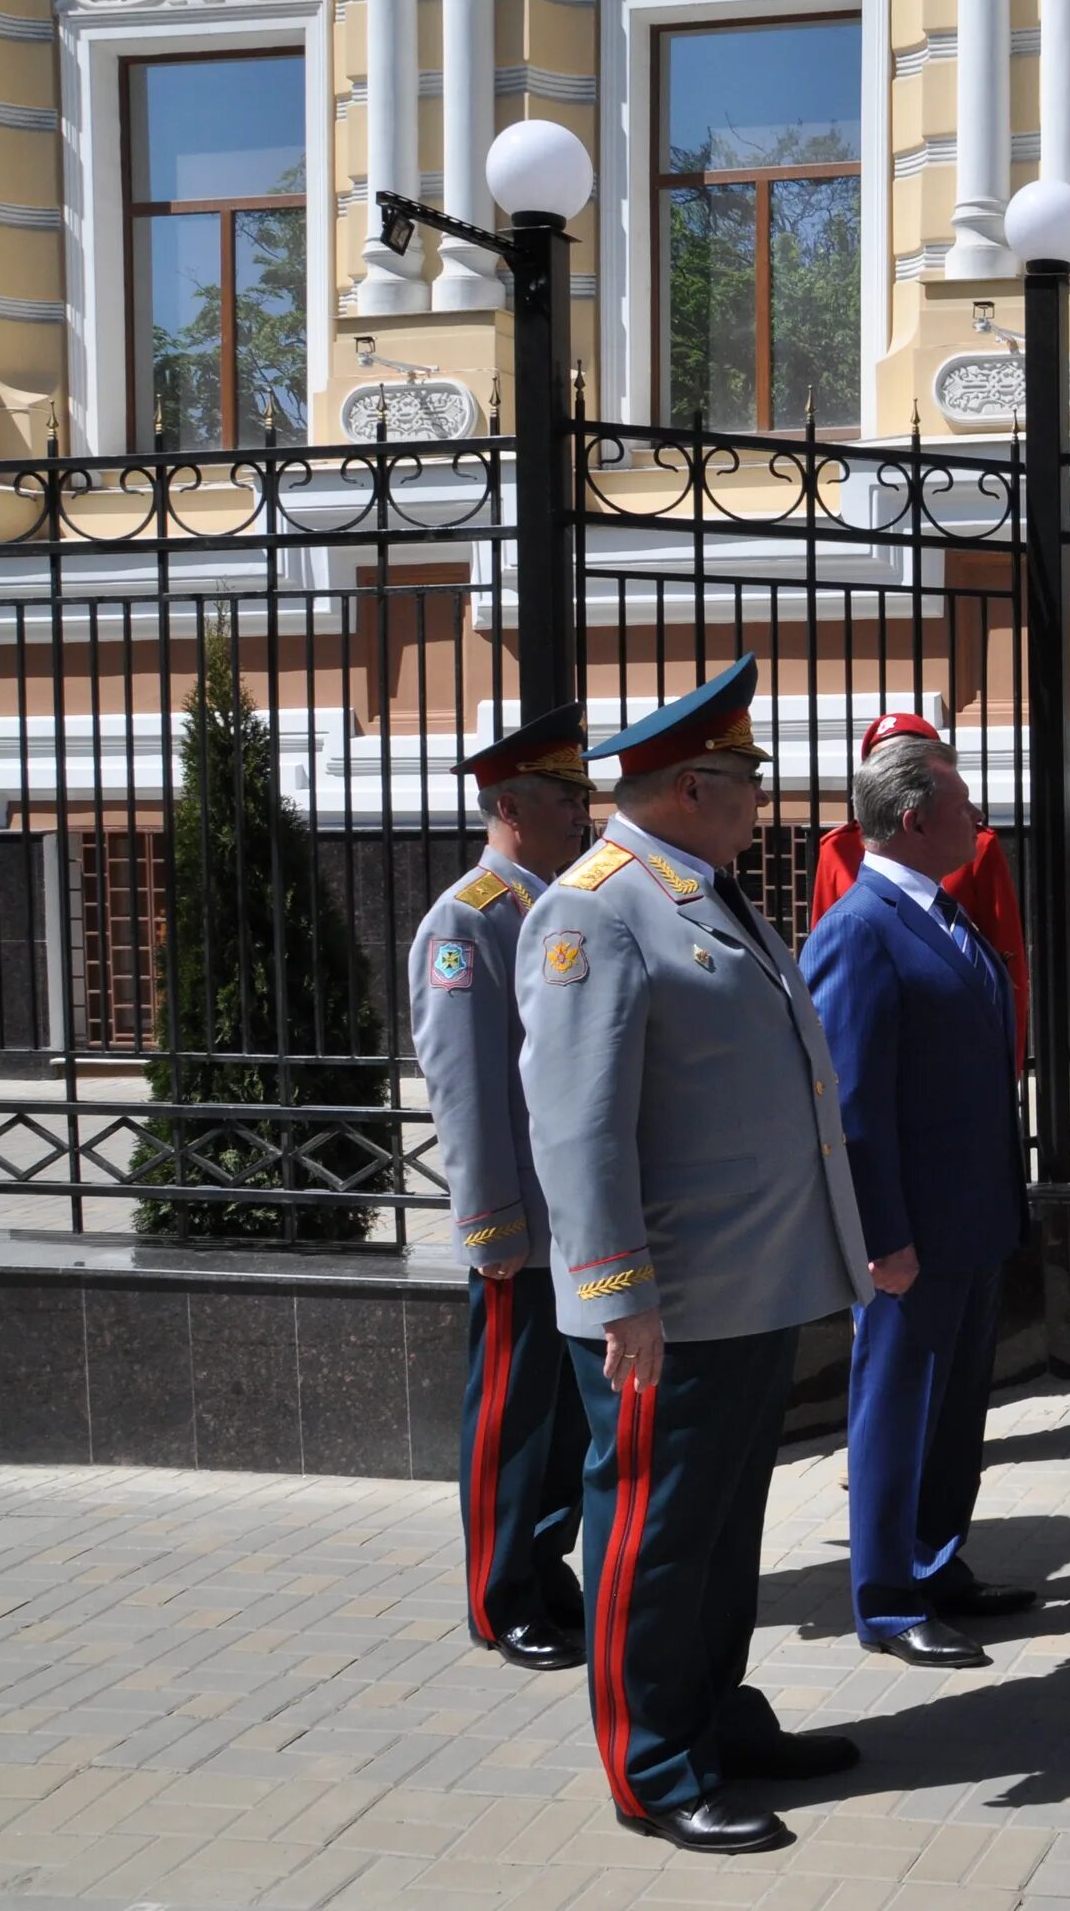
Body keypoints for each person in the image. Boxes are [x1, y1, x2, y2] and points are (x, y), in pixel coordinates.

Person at [516, 654, 875, 1857]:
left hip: (748, 1291)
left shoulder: (710, 891)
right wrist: (619, 1294)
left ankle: (716, 1715)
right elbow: (578, 1121)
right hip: (664, 1304)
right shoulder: (593, 908)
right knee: (654, 1538)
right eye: (746, 782)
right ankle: (653, 1762)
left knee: (722, 1527)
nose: (762, 803)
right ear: (687, 789)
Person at [801, 733, 1038, 1672]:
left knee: (956, 1412)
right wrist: (882, 1235)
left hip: (971, 1221)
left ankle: (938, 1562)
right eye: (962, 805)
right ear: (912, 819)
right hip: (912, 1236)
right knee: (899, 1407)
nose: (976, 822)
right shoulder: (858, 929)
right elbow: (850, 1104)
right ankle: (889, 1596)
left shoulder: (943, 912)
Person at [409, 702, 598, 1670]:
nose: (584, 811)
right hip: (520, 1224)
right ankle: (499, 1592)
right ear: (513, 805)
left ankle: (544, 1560)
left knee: (562, 1410)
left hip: (573, 1224)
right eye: (567, 796)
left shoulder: (558, 907)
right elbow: (466, 1086)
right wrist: (489, 1223)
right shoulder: (468, 922)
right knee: (510, 1411)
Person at [809, 712, 1029, 1071]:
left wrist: (1009, 1061)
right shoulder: (837, 850)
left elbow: (1005, 957)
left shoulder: (976, 847)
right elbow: (828, 956)